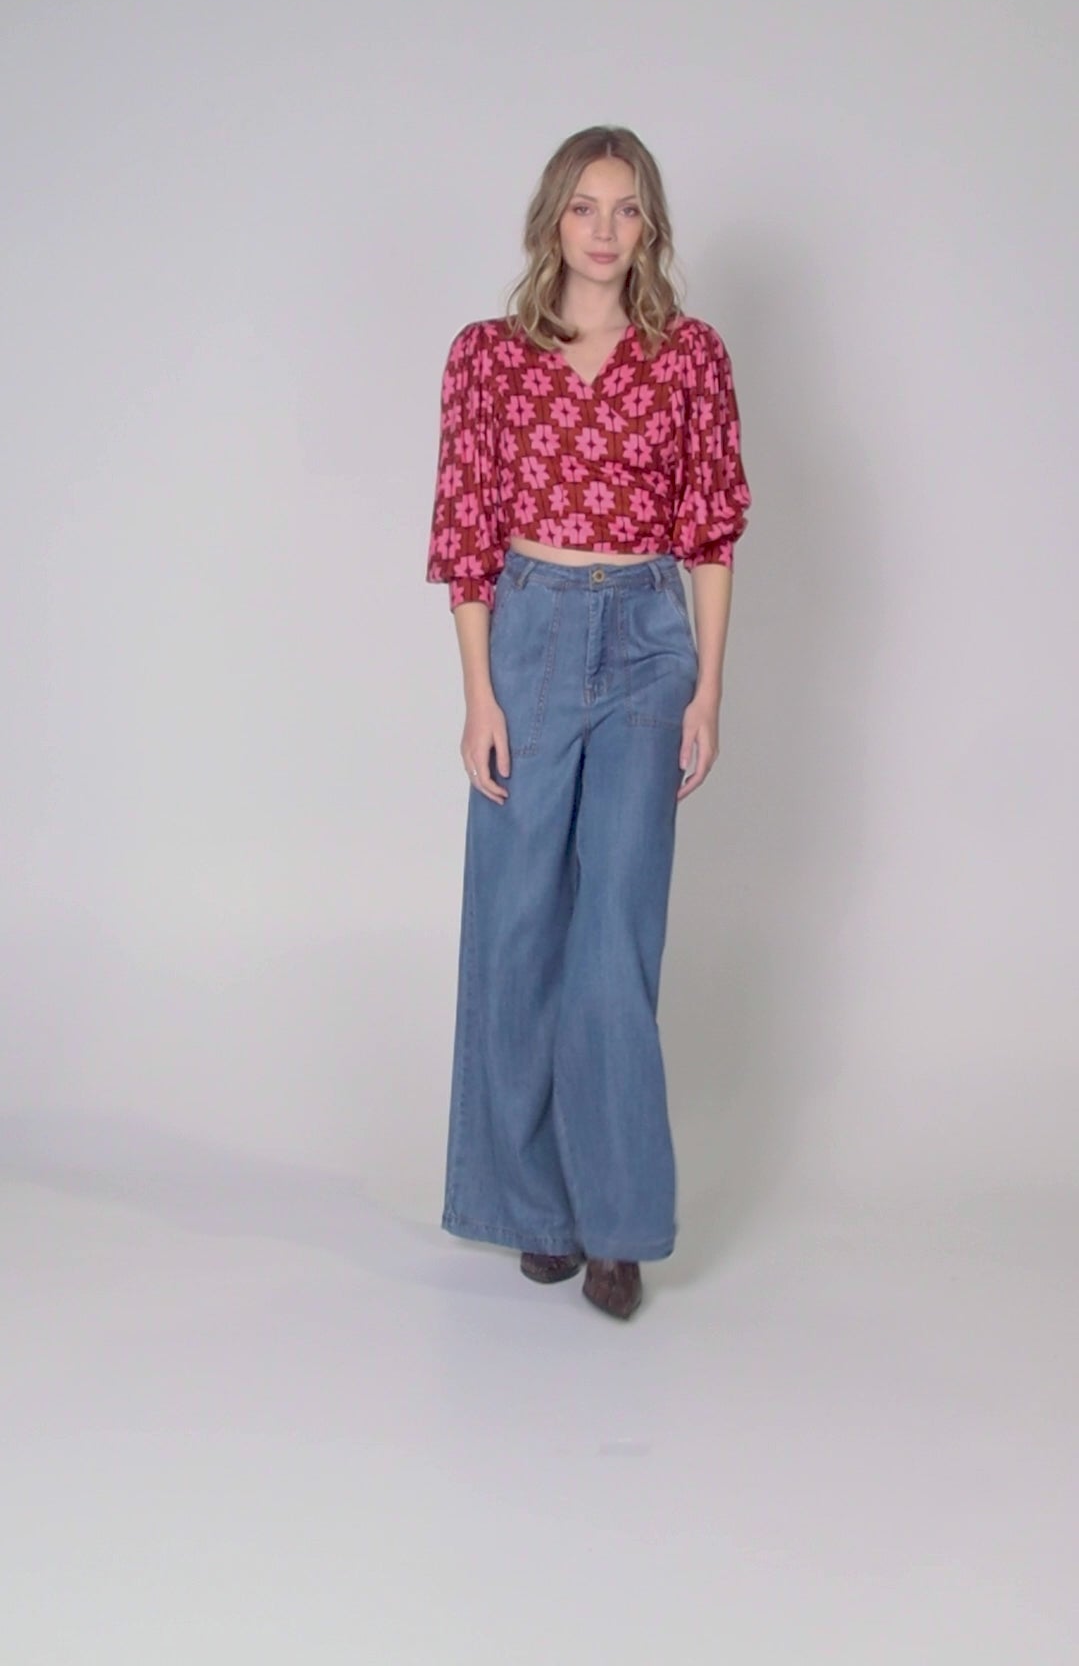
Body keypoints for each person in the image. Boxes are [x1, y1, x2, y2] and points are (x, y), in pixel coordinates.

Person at [425, 124, 751, 1321]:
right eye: (584, 207)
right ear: (552, 220)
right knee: (516, 923)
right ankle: (534, 1209)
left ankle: (615, 1225)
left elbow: (711, 531)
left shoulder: (689, 356)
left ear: (649, 225)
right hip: (530, 632)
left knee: (615, 931)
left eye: (626, 209)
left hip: (649, 641)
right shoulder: (489, 357)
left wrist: (707, 686)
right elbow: (464, 532)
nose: (605, 231)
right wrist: (480, 694)